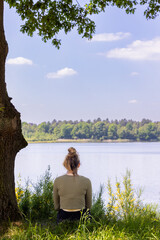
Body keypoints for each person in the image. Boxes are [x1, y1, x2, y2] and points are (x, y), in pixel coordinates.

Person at [53, 147, 92, 223]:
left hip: (63, 216)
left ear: (65, 164)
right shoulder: (87, 181)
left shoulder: (57, 180)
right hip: (81, 216)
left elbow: (56, 207)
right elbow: (89, 206)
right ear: (79, 165)